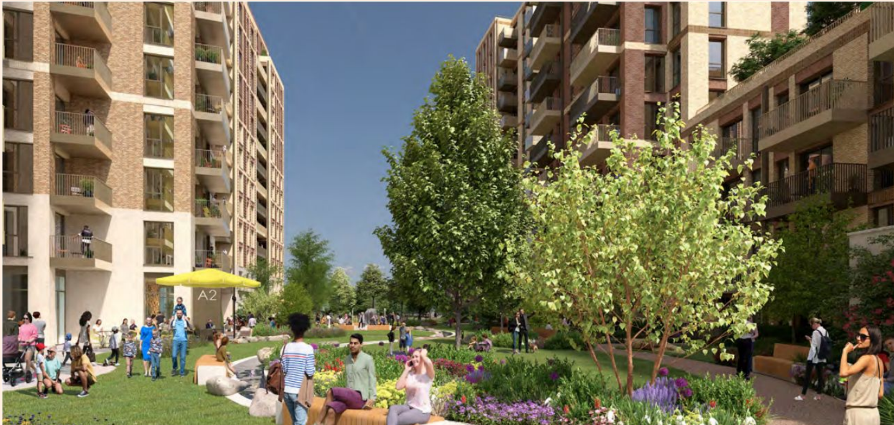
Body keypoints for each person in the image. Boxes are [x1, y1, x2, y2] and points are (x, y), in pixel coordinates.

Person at [320, 334, 377, 425]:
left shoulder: (368, 359)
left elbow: (372, 378)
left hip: (361, 398)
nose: (352, 345)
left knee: (331, 391)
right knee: (331, 411)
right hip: (349, 397)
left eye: (355, 343)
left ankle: (317, 422)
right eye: (351, 343)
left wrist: (372, 398)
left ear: (361, 344)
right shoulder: (347, 359)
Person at [840, 326, 884, 424]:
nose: (858, 338)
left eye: (863, 337)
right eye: (858, 335)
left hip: (858, 414)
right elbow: (880, 394)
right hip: (873, 415)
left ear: (873, 340)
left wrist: (845, 351)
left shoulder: (867, 358)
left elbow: (843, 373)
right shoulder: (879, 361)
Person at [387, 347, 435, 425]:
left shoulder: (428, 375)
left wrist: (423, 355)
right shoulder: (410, 375)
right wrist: (406, 370)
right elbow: (398, 387)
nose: (414, 359)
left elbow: (429, 363)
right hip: (409, 407)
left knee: (398, 419)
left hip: (422, 411)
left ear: (422, 358)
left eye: (417, 357)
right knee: (393, 408)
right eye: (413, 357)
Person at [282, 313, 315, 425]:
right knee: (300, 422)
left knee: (295, 421)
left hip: (286, 390)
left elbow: (284, 369)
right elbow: (310, 372)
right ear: (305, 329)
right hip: (300, 391)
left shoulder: (285, 347)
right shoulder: (308, 349)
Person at [796, 318, 829, 401]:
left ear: (814, 323)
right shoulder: (825, 331)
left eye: (811, 325)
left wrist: (809, 340)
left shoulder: (815, 332)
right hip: (821, 356)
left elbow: (813, 346)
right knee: (820, 375)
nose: (811, 327)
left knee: (807, 375)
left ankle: (802, 395)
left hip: (813, 357)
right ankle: (818, 395)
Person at [169, 310, 192, 377]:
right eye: (178, 313)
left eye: (180, 313)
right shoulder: (174, 321)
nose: (179, 314)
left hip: (183, 341)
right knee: (174, 356)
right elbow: (169, 329)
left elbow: (191, 328)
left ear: (182, 314)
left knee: (183, 357)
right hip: (175, 340)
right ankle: (174, 368)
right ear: (176, 314)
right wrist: (170, 321)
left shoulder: (185, 321)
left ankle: (182, 372)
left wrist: (188, 320)